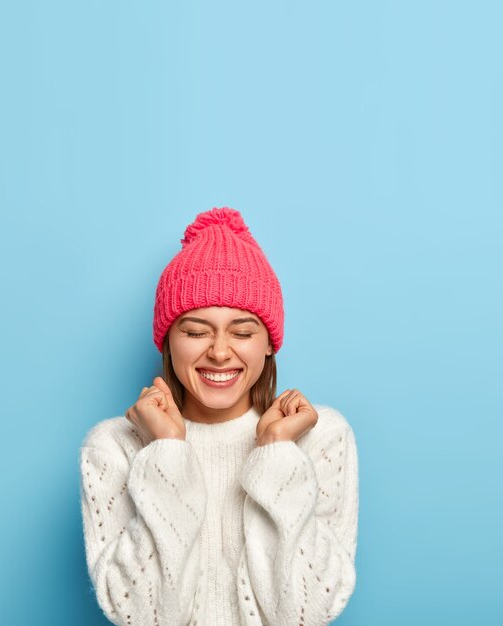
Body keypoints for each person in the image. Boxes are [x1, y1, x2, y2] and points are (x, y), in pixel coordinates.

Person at [79, 206, 359, 626]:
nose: (220, 352)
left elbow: (304, 614)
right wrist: (167, 452)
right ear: (168, 340)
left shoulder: (319, 437)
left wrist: (277, 454)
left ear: (268, 343)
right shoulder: (114, 447)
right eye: (195, 331)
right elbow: (141, 616)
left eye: (243, 332)